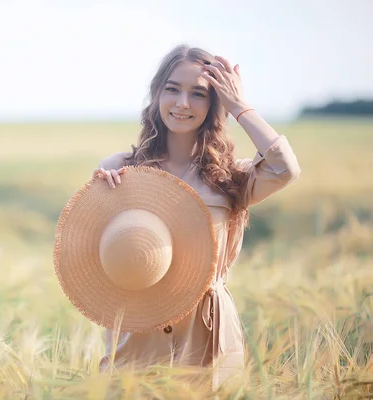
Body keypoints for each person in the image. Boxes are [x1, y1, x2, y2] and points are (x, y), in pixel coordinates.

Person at [92, 44, 301, 388]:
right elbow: (91, 260)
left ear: (214, 102)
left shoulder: (230, 176)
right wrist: (99, 202)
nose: (183, 104)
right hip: (139, 337)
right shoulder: (119, 170)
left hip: (209, 338)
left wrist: (239, 106)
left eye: (199, 94)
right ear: (157, 94)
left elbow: (285, 168)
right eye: (172, 89)